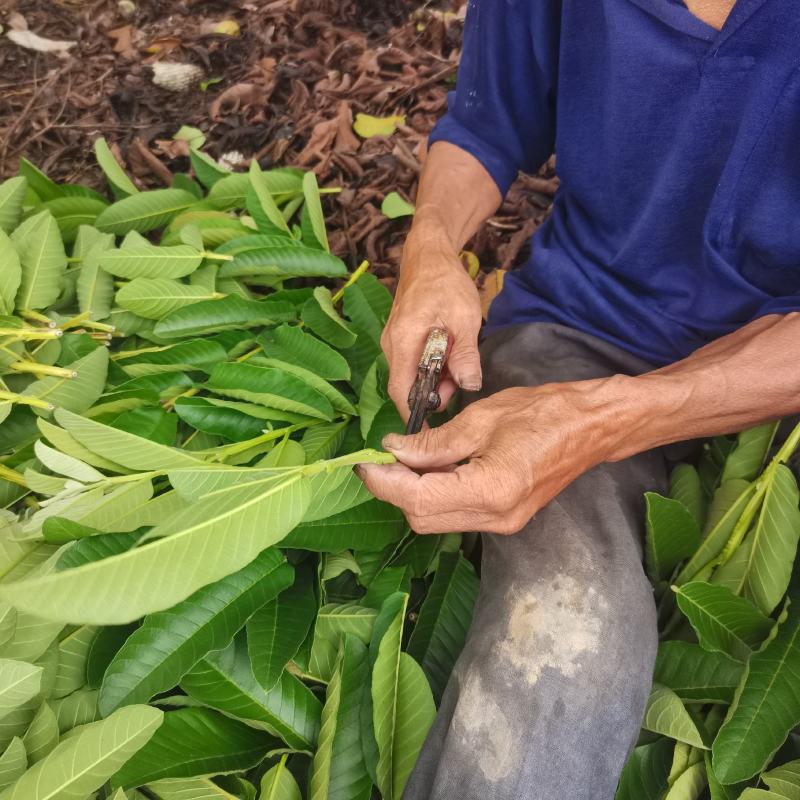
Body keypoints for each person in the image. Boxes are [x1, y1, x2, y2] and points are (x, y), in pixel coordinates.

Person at [354, 0, 800, 797]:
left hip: (782, 363)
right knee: (561, 633)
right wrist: (429, 251)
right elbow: (485, 126)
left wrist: (597, 423)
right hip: (585, 329)